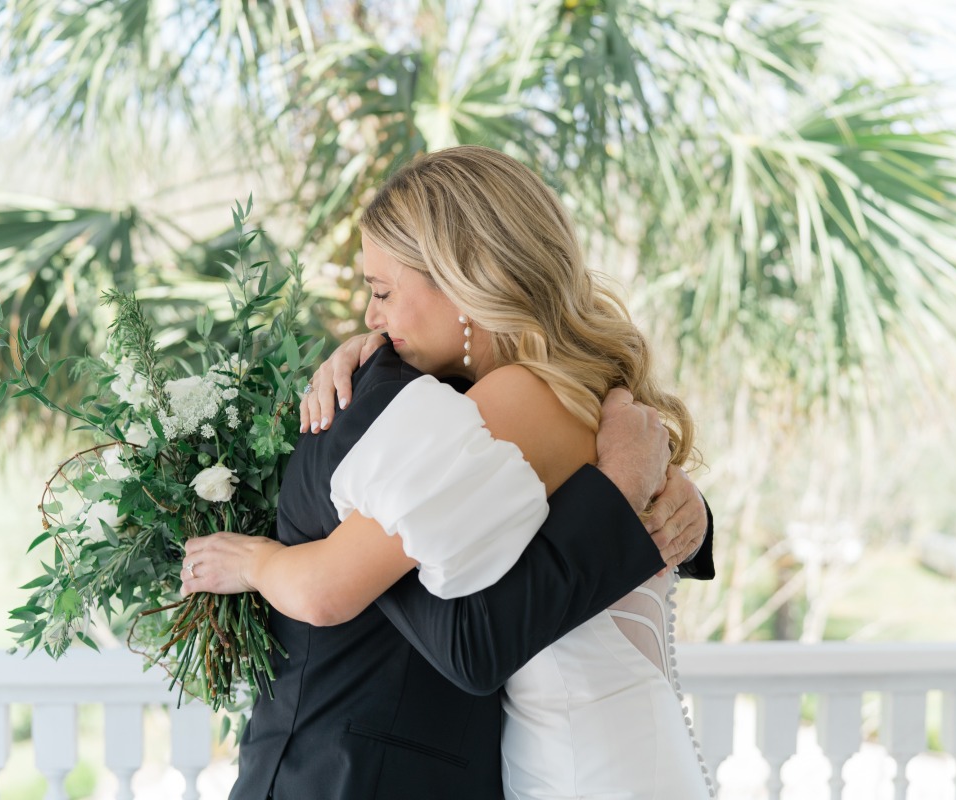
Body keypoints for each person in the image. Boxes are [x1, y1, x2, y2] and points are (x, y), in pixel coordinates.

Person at [183, 145, 715, 800]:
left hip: (590, 770)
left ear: (468, 277)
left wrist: (259, 560)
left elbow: (437, 630)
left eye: (382, 291)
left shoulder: (520, 399)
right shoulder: (585, 393)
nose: (370, 318)